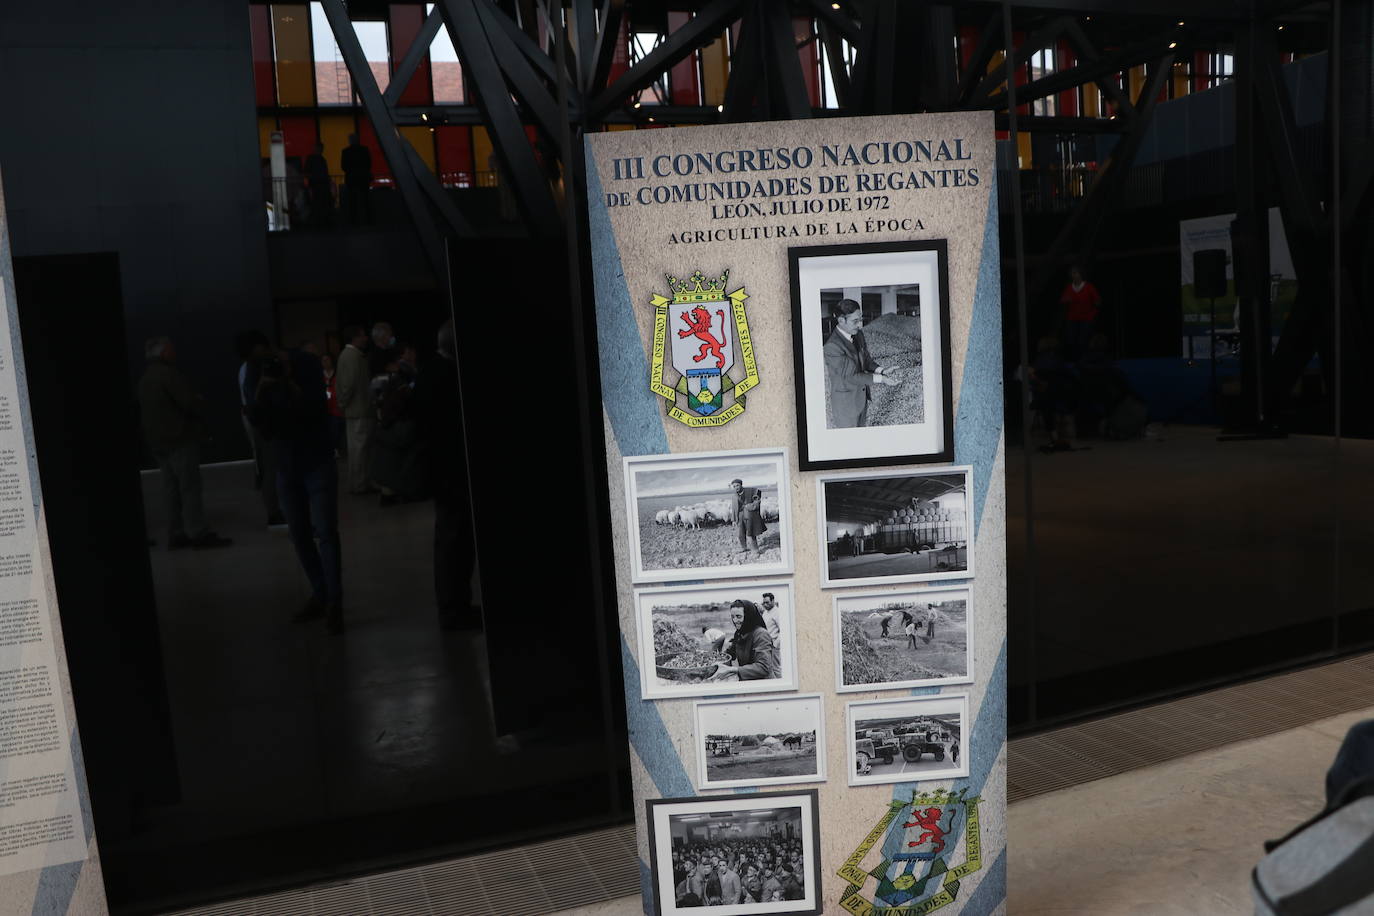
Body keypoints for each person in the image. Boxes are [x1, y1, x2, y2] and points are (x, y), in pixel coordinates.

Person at [248, 346, 344, 634]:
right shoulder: (262, 377)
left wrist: (288, 383)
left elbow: (312, 411)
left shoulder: (307, 368)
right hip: (288, 467)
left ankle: (334, 602)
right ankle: (322, 593)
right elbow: (262, 425)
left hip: (316, 462)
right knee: (300, 535)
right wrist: (263, 390)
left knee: (326, 532)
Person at [414, 319, 480, 630]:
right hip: (451, 475)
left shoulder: (429, 372)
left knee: (452, 543)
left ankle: (455, 607)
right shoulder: (447, 377)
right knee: (455, 544)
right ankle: (455, 611)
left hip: (442, 474)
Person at [137, 337, 231, 550]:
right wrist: (198, 401)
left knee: (171, 489)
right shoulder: (169, 375)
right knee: (189, 488)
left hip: (159, 442)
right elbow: (187, 402)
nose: (174, 353)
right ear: (163, 353)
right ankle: (197, 532)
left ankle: (176, 533)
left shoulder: (145, 379)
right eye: (171, 349)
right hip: (179, 439)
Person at [235, 331, 285, 529]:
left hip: (260, 422)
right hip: (266, 424)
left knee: (268, 466)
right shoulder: (255, 368)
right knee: (271, 467)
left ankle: (275, 509)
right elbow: (255, 399)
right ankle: (274, 511)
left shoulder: (247, 369)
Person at [823, 298, 898, 428]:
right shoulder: (832, 347)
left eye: (860, 319)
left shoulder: (858, 335)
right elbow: (851, 376)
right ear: (841, 321)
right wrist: (882, 379)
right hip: (845, 406)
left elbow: (866, 359)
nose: (859, 325)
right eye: (855, 321)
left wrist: (882, 371)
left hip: (861, 400)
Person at [336, 325, 374, 494]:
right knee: (359, 450)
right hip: (358, 410)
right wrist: (343, 403)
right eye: (362, 335)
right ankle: (359, 485)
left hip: (357, 410)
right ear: (354, 337)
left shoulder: (350, 355)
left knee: (359, 449)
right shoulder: (352, 356)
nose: (365, 338)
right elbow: (348, 385)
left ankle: (360, 483)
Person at [711, 600, 779, 681]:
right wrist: (713, 659)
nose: (735, 620)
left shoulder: (761, 634)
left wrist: (734, 669)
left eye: (738, 616)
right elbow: (730, 653)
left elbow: (763, 667)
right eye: (733, 617)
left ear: (748, 616)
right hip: (748, 680)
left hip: (763, 682)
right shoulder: (740, 633)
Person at [1059, 264, 1102, 360]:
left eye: (1075, 273)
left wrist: (1093, 311)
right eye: (1072, 274)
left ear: (1080, 274)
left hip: (1086, 319)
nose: (1073, 275)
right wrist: (1066, 300)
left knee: (1083, 341)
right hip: (1072, 319)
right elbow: (1063, 300)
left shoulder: (1089, 287)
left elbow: (1098, 301)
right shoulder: (1069, 288)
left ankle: (1085, 360)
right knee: (1071, 341)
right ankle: (1075, 360)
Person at [341, 133, 373, 224]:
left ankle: (354, 221)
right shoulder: (364, 150)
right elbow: (368, 164)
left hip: (351, 179)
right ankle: (368, 220)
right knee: (365, 200)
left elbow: (343, 166)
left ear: (350, 141)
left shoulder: (346, 151)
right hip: (363, 178)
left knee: (352, 201)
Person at [731, 477, 767, 556]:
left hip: (749, 514)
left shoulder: (750, 490)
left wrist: (753, 505)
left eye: (737, 485)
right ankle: (743, 547)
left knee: (750, 532)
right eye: (734, 486)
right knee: (740, 534)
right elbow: (733, 508)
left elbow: (758, 494)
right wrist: (733, 520)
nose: (736, 487)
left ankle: (755, 550)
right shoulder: (734, 496)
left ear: (741, 485)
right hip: (739, 515)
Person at [304, 141, 332, 226]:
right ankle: (321, 221)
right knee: (320, 203)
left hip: (317, 184)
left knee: (318, 203)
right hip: (319, 184)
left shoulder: (314, 159)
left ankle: (319, 221)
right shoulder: (321, 159)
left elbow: (306, 171)